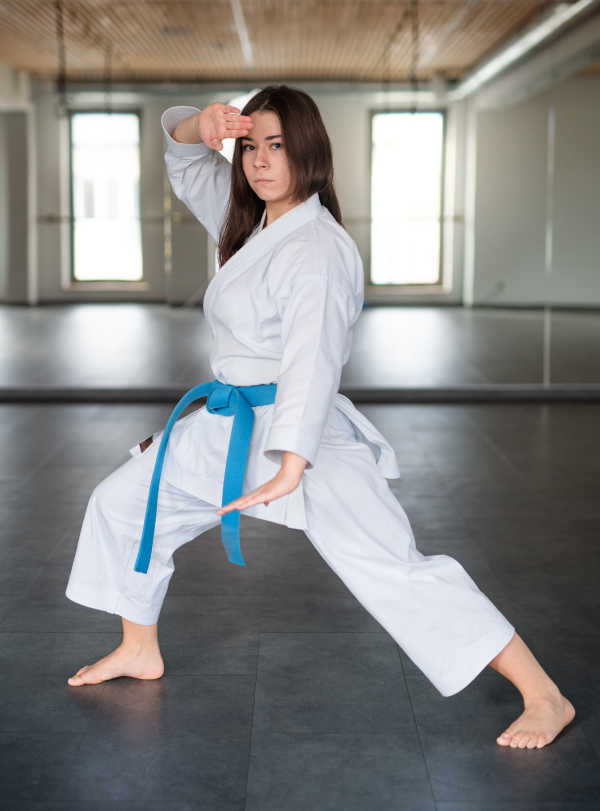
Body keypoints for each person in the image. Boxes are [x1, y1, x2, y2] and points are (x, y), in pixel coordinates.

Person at [66, 85, 574, 750]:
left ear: (310, 151)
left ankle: (545, 694)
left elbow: (314, 361)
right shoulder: (251, 221)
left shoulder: (318, 249)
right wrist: (201, 123)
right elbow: (185, 157)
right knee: (124, 501)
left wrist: (292, 464)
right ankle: (139, 647)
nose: (258, 161)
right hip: (227, 422)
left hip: (302, 435)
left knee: (394, 567)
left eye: (276, 145)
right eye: (250, 146)